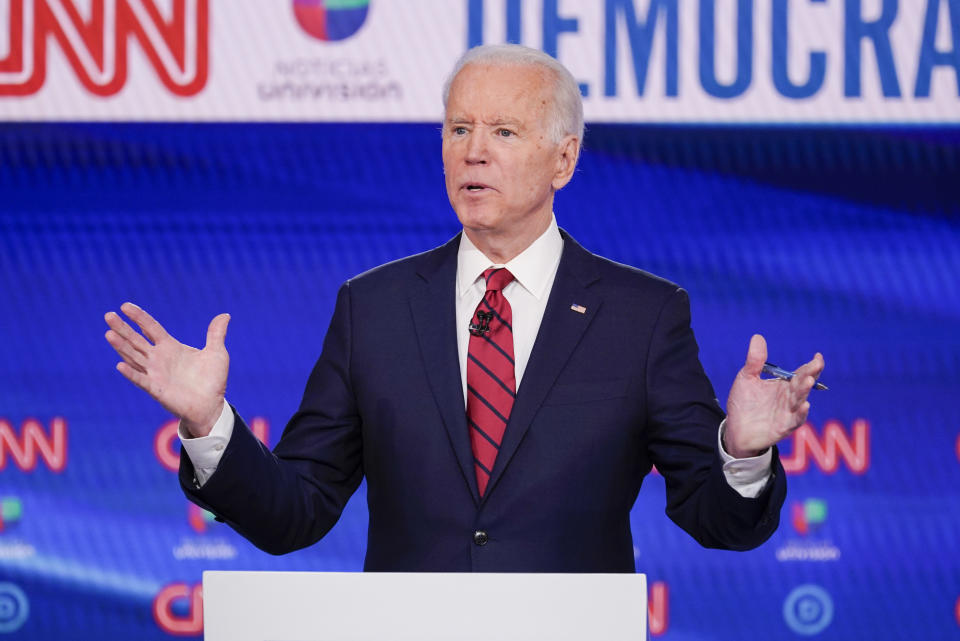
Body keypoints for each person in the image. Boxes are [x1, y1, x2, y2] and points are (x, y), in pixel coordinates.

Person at [104, 44, 824, 572]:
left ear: (564, 160)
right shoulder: (372, 308)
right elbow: (296, 508)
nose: (473, 152)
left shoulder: (643, 316)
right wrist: (208, 424)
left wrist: (743, 452)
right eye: (457, 130)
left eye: (504, 132)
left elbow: (718, 518)